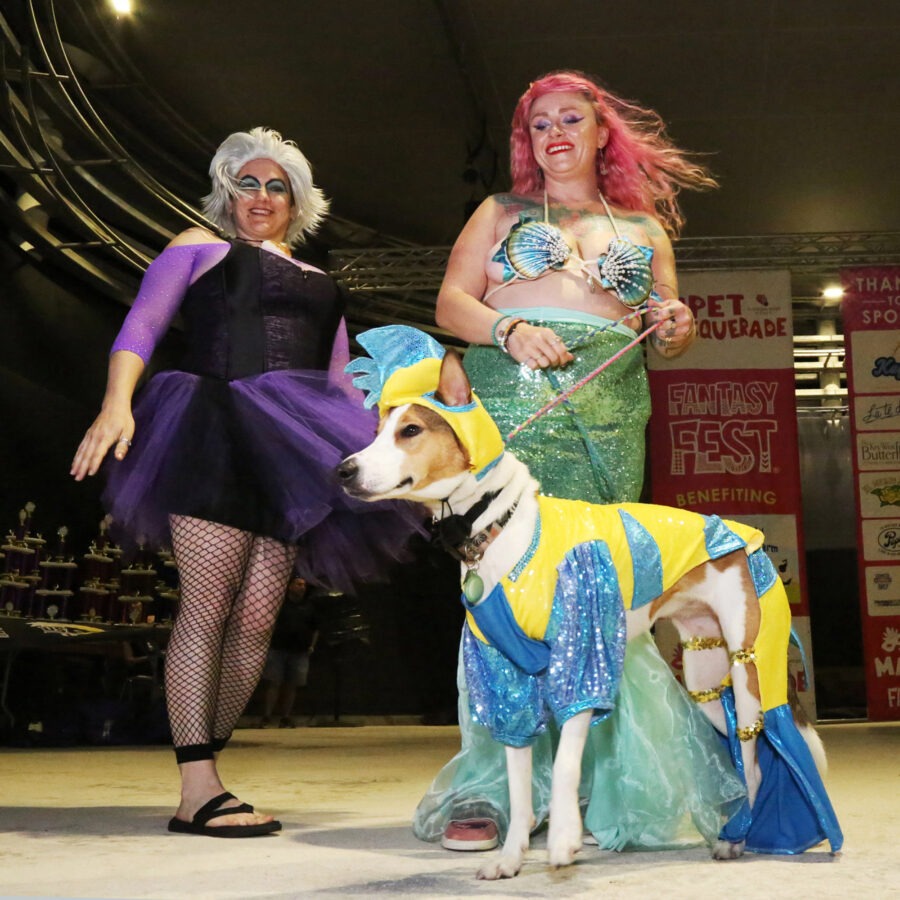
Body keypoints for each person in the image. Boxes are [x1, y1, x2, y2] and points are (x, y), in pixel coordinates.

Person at [418, 71, 744, 852]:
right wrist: (504, 332)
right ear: (525, 142)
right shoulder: (498, 212)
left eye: (572, 119)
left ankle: (602, 783)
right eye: (539, 124)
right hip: (516, 408)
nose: (555, 132)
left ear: (603, 134)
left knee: (599, 597)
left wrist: (674, 322)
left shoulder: (644, 229)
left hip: (610, 409)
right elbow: (450, 303)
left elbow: (672, 333)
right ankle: (494, 790)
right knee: (504, 598)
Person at [71, 127, 419, 838]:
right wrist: (116, 403)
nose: (260, 196)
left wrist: (376, 458)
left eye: (276, 185)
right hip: (210, 427)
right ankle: (196, 788)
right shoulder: (194, 248)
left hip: (291, 450)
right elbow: (143, 322)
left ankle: (207, 770)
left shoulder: (325, 283)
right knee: (209, 598)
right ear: (226, 193)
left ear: (298, 202)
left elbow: (341, 384)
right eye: (247, 183)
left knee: (259, 617)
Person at [258, 575, 319, 728]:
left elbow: (316, 628)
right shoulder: (279, 605)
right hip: (278, 650)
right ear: (290, 586)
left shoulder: (309, 606)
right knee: (274, 683)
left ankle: (285, 717)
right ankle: (267, 717)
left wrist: (312, 646)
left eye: (304, 585)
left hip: (299, 651)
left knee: (292, 685)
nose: (302, 587)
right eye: (299, 584)